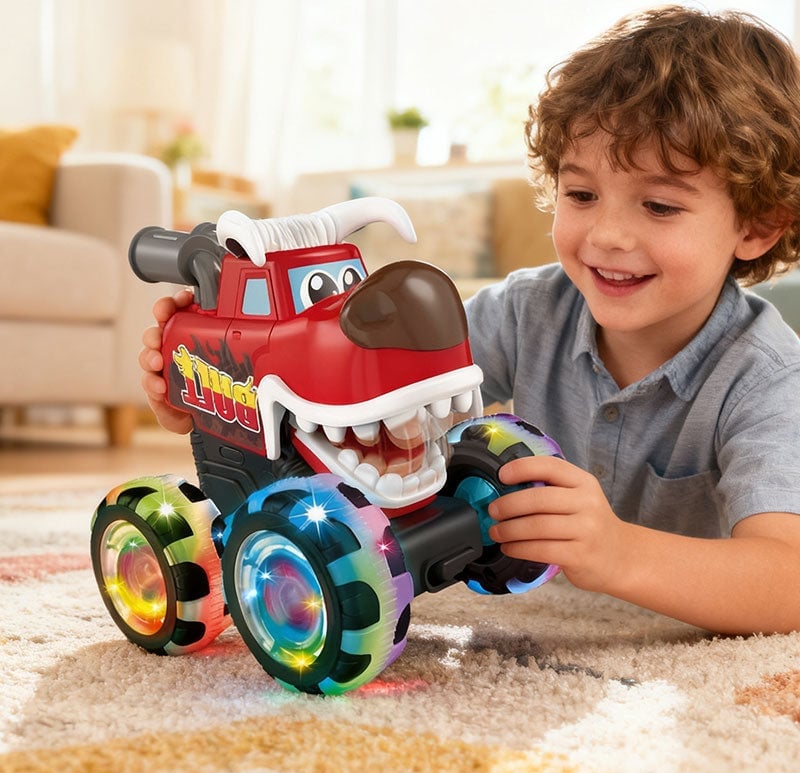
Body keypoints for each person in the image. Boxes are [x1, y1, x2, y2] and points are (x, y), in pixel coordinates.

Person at [140, 5, 800, 635]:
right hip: (541, 615)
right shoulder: (528, 310)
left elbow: (788, 578)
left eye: (658, 206)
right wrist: (221, 392)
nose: (606, 235)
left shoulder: (769, 379)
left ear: (757, 226)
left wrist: (619, 553)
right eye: (581, 194)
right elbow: (360, 398)